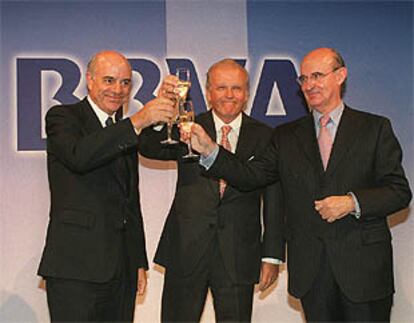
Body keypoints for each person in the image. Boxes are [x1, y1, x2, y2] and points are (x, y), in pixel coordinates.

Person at [188, 48, 412, 322]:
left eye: (317, 76)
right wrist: (211, 151)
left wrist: (352, 202)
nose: (309, 85)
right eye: (303, 79)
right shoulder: (286, 136)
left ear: (341, 75)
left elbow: (399, 191)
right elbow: (249, 176)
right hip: (312, 273)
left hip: (363, 270)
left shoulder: (374, 128)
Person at [138, 59, 284, 322]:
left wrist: (272, 255)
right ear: (208, 93)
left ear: (247, 94)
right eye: (221, 88)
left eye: (237, 88)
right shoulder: (187, 125)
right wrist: (162, 114)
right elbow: (149, 147)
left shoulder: (266, 136)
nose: (229, 95)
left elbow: (273, 198)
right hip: (186, 250)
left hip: (238, 254)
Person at [37, 50, 176, 322]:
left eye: (125, 83)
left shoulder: (124, 131)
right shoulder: (63, 117)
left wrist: (137, 261)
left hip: (121, 270)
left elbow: (130, 201)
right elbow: (80, 156)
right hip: (75, 269)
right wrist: (137, 121)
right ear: (90, 81)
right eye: (109, 80)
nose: (118, 90)